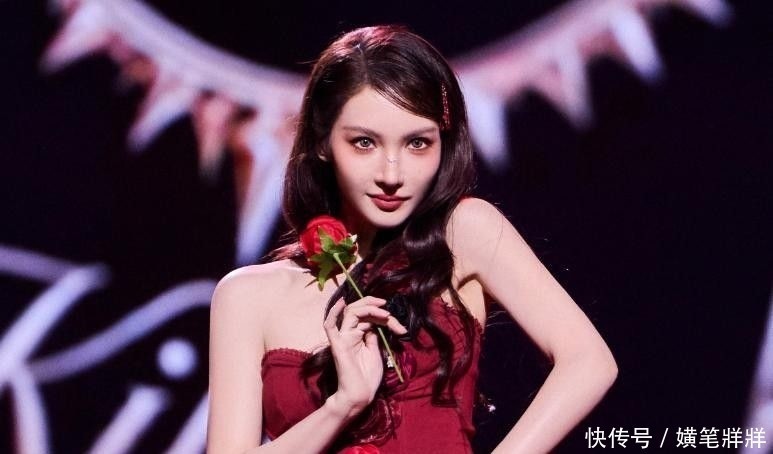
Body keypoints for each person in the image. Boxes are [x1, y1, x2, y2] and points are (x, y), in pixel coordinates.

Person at [207, 25, 617, 453]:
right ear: (322, 142)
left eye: (417, 143)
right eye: (364, 143)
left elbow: (588, 361)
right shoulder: (247, 296)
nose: (392, 174)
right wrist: (342, 406)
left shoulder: (463, 234)